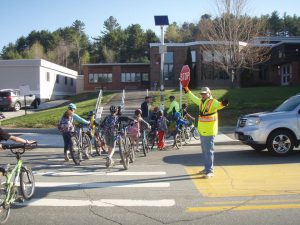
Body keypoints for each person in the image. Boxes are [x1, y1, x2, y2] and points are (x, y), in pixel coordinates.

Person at [183, 86, 228, 178]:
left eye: (205, 94)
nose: (203, 95)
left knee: (209, 152)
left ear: (209, 94)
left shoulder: (213, 102)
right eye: (202, 94)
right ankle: (206, 168)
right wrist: (187, 90)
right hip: (202, 131)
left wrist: (224, 103)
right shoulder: (200, 102)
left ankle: (210, 171)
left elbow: (220, 105)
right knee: (205, 151)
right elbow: (193, 98)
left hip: (210, 131)